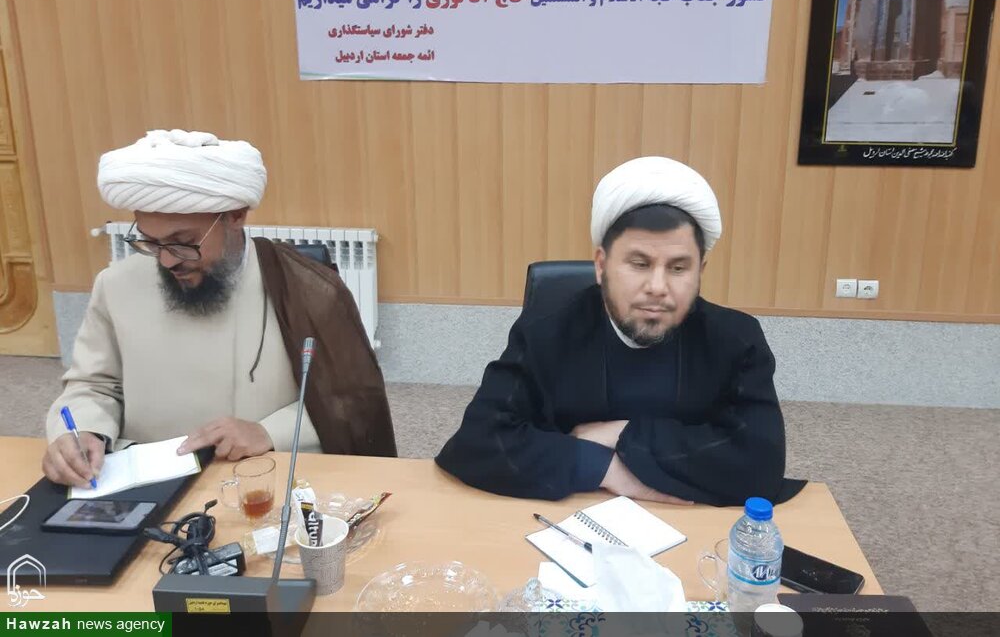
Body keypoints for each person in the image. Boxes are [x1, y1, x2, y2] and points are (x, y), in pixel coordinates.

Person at [436, 156, 805, 506]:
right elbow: (478, 441)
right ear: (602, 266)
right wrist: (605, 468)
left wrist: (620, 433)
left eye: (678, 268)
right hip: (569, 517)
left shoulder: (736, 340)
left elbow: (760, 463)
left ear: (700, 272)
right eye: (639, 264)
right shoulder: (547, 330)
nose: (658, 287)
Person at [43, 129, 395, 488]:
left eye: (183, 242)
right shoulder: (116, 285)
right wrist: (83, 430)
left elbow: (353, 403)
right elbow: (93, 385)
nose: (166, 260)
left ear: (236, 216)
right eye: (150, 242)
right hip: (146, 483)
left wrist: (268, 432)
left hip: (265, 479)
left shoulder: (308, 290)